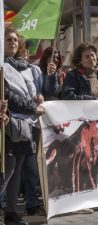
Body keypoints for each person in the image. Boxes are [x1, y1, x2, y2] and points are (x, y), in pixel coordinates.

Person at [1, 25, 44, 225]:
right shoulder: (1, 66)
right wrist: (32, 107)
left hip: (24, 124)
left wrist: (37, 99)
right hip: (7, 123)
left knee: (17, 169)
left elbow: (28, 95)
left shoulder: (25, 68)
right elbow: (8, 96)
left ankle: (11, 213)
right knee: (7, 170)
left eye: (15, 40)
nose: (12, 43)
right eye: (8, 39)